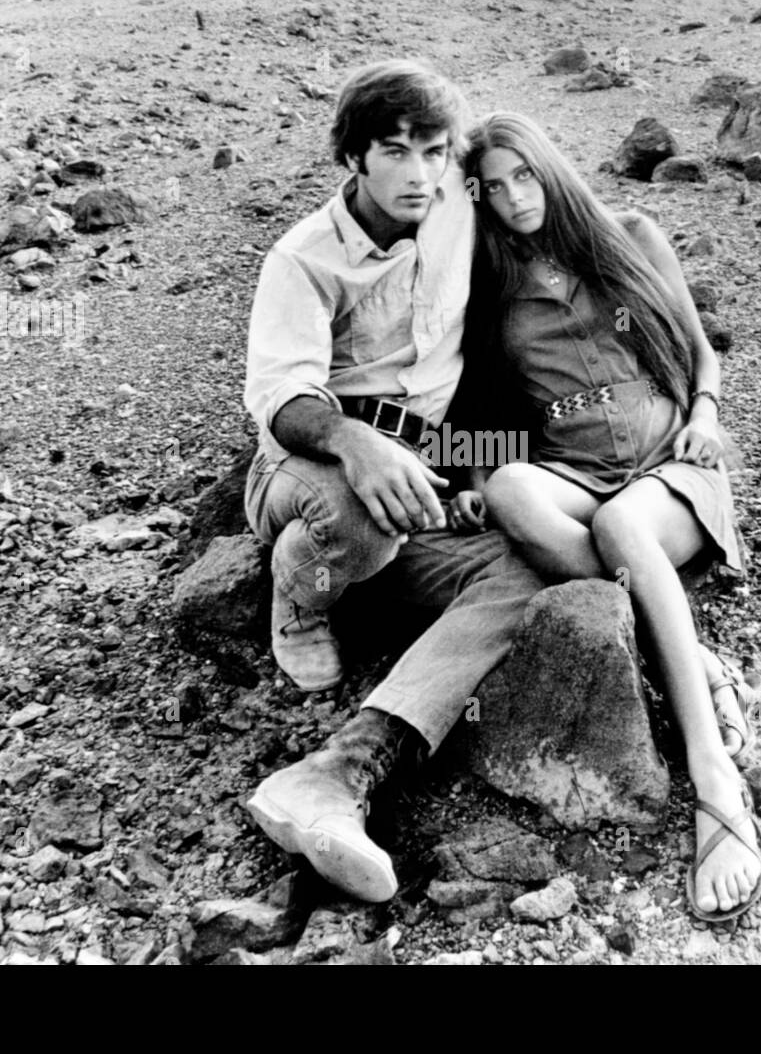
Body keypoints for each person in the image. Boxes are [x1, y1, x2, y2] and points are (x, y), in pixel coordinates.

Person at [241, 62, 545, 904]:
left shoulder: (456, 201)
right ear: (353, 155)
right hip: (310, 464)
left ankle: (337, 773)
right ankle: (299, 594)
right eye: (394, 151)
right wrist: (353, 439)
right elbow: (280, 397)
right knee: (356, 515)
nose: (418, 173)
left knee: (533, 561)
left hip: (433, 461)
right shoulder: (302, 258)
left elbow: (536, 194)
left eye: (434, 152)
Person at [456, 111, 761, 922]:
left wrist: (703, 412)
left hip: (672, 465)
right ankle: (693, 652)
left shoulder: (629, 234)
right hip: (580, 472)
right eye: (492, 187)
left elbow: (703, 350)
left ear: (549, 169)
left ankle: (713, 779)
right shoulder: (493, 288)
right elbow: (491, 413)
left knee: (625, 528)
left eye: (523, 175)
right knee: (512, 492)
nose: (513, 198)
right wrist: (470, 474)